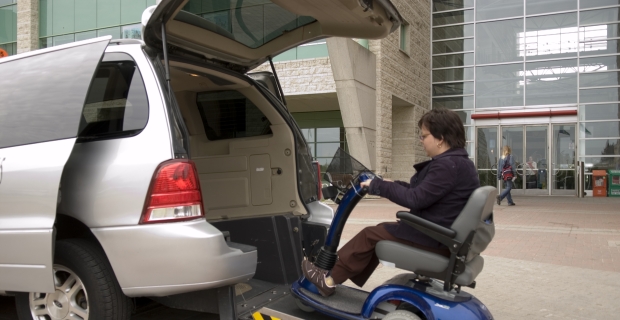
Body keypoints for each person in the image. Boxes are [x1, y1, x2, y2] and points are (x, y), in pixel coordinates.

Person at [302, 109, 480, 296]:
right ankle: (340, 275)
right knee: (380, 231)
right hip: (442, 236)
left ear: (440, 138)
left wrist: (379, 187)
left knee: (369, 235)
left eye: (424, 136)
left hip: (435, 238)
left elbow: (415, 199)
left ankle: (328, 280)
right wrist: (390, 184)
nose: (421, 141)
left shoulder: (446, 166)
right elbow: (423, 192)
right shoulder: (460, 163)